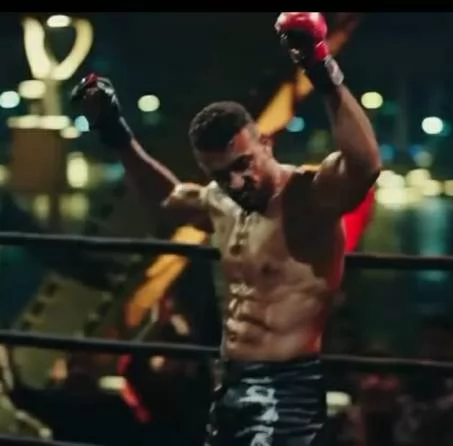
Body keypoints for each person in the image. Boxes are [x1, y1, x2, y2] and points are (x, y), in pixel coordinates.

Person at [71, 12, 381, 446]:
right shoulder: (221, 201)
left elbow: (364, 165)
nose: (236, 182)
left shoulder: (308, 197)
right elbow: (167, 201)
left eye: (243, 165)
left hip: (286, 384)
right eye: (220, 174)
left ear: (265, 143)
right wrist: (115, 132)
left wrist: (319, 67)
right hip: (230, 377)